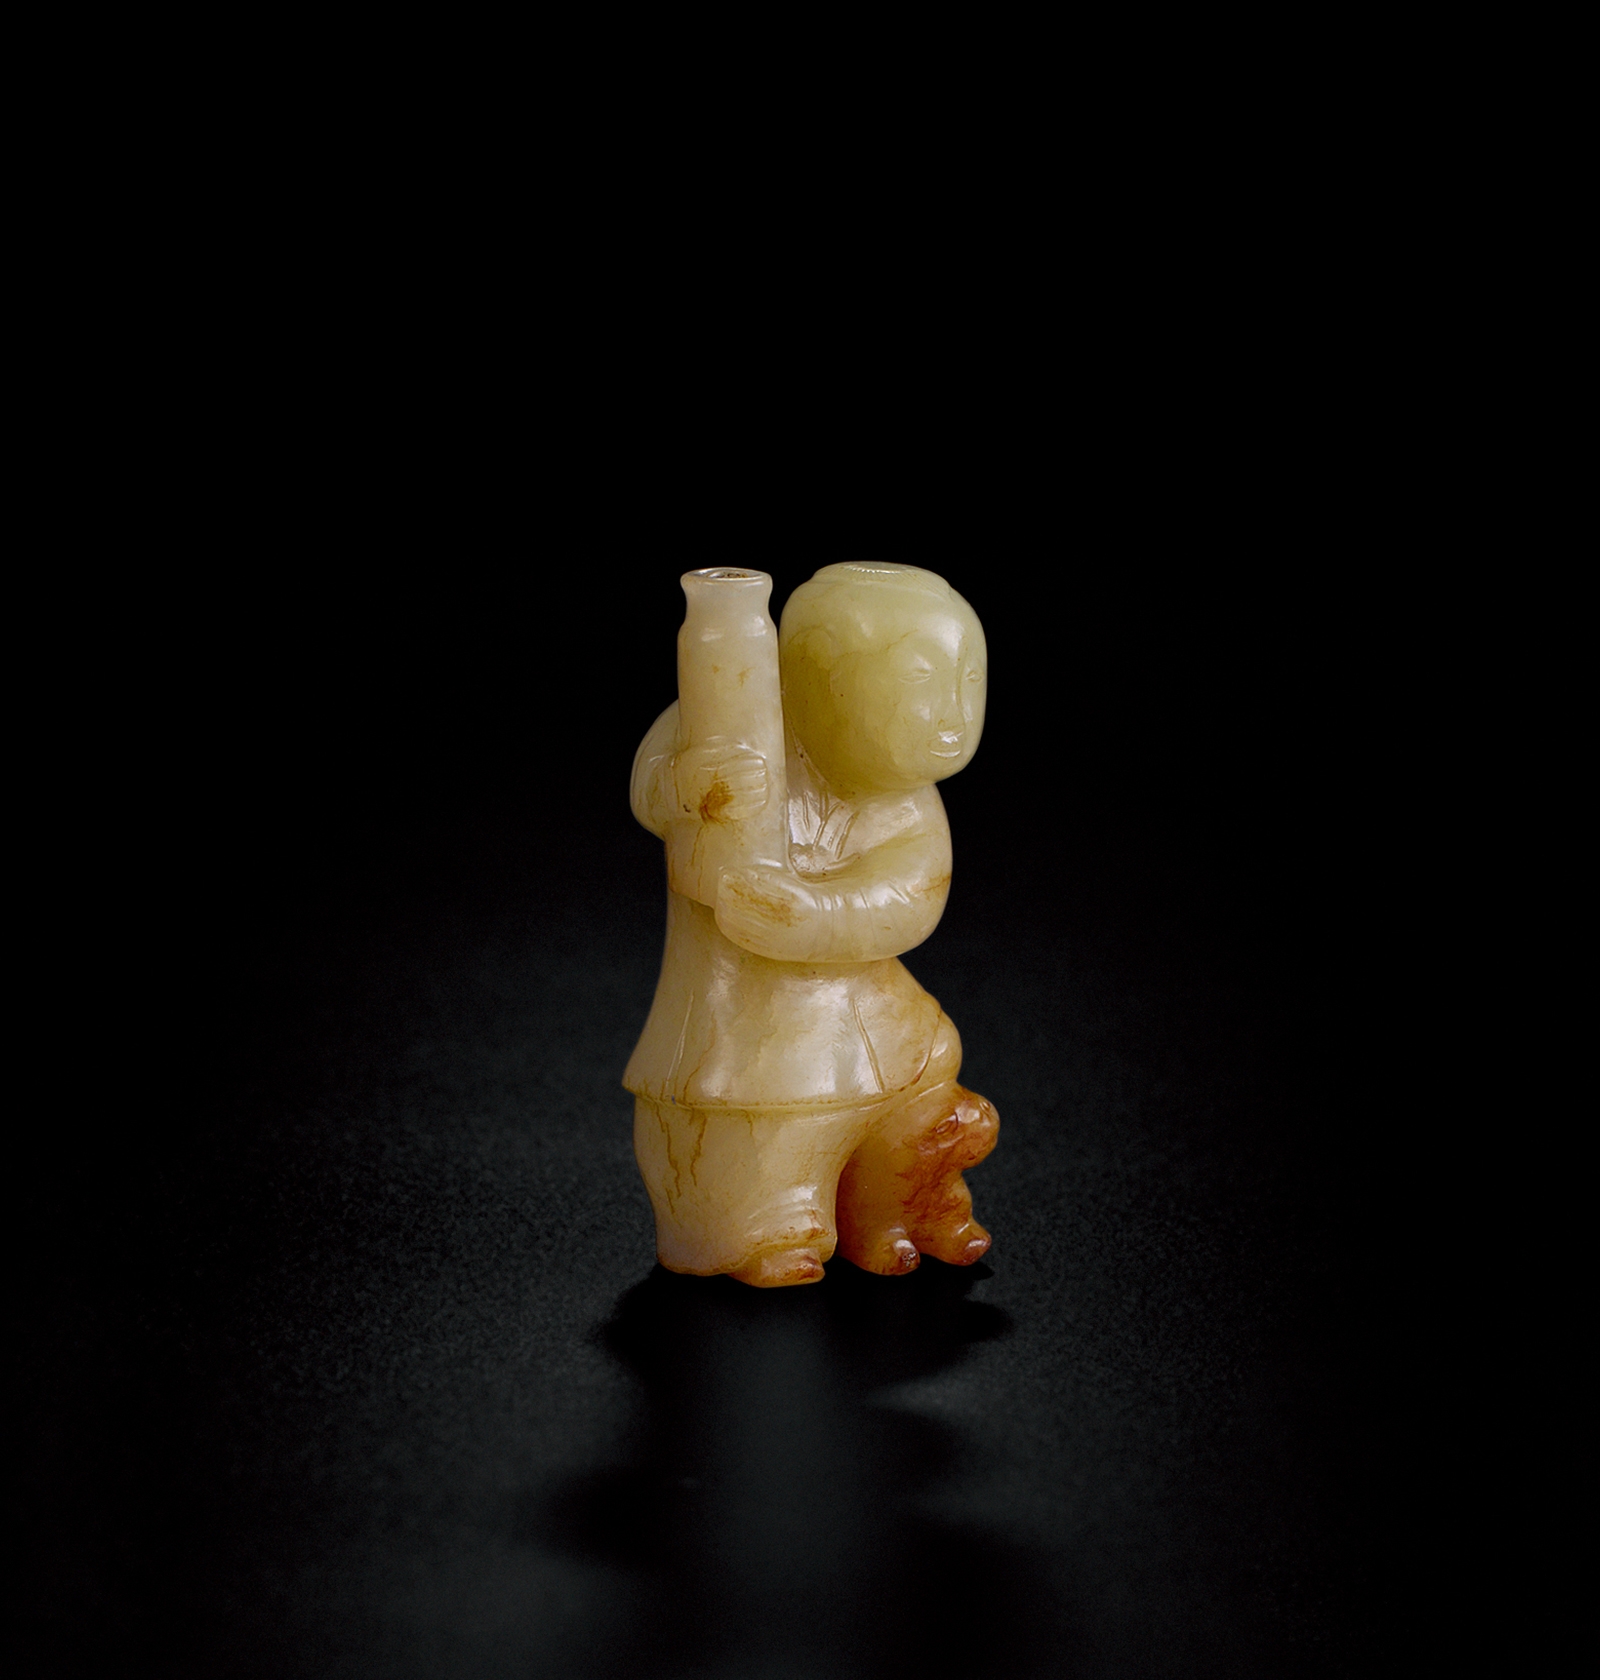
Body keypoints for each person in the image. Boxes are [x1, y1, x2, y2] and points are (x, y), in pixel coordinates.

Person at [625, 563, 998, 1286]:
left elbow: (909, 899)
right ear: (816, 676)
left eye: (971, 681)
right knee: (752, 1145)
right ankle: (769, 1229)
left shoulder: (906, 804)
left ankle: (898, 1203)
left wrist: (814, 916)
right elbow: (651, 792)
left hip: (872, 1021)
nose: (952, 715)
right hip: (744, 1016)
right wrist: (692, 784)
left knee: (920, 1101)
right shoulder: (734, 722)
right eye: (920, 680)